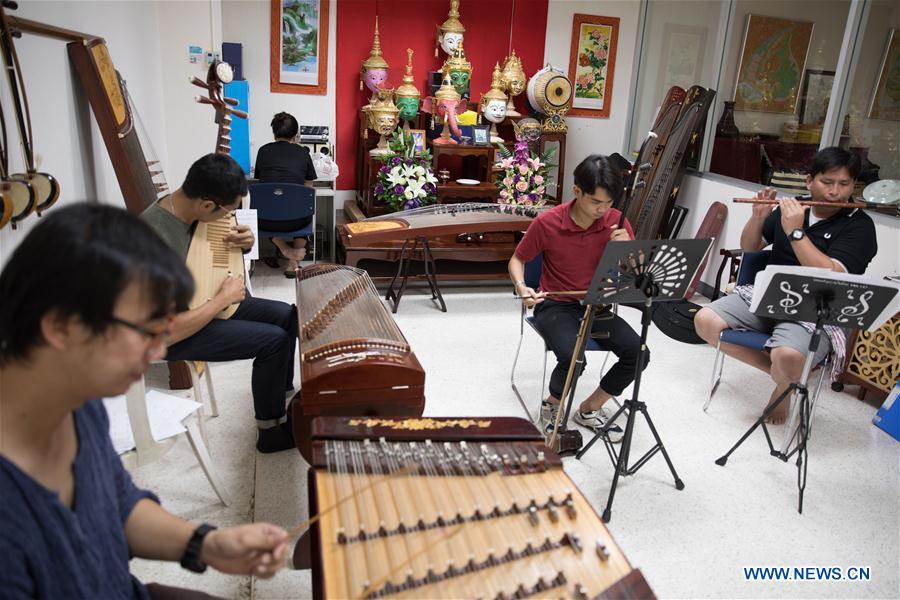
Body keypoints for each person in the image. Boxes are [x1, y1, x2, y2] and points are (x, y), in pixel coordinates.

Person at [0, 204, 289, 598]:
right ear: (62, 327)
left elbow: (116, 504)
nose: (158, 350)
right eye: (146, 330)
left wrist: (206, 544)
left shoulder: (75, 401)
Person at [694, 147, 878, 424]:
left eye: (844, 184)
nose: (835, 192)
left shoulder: (860, 226)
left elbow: (828, 273)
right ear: (809, 181)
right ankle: (788, 381)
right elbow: (750, 247)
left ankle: (784, 385)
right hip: (770, 294)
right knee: (705, 320)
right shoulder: (793, 208)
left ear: (854, 185)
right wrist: (757, 217)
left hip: (815, 308)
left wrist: (795, 231)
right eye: (827, 182)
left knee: (789, 356)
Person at [141, 153, 297, 453]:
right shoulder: (153, 240)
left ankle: (278, 390)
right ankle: (270, 432)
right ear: (207, 204)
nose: (230, 217)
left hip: (205, 300)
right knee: (273, 341)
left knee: (288, 316)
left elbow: (214, 258)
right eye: (229, 210)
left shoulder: (190, 209)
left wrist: (247, 242)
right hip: (174, 332)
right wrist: (221, 301)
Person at [508, 155, 650, 442]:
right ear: (577, 192)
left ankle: (590, 408)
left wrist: (629, 249)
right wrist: (523, 288)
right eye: (596, 202)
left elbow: (637, 271)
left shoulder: (616, 222)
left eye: (609, 203)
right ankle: (552, 406)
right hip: (555, 305)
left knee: (638, 353)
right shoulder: (548, 222)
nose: (603, 210)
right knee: (574, 356)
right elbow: (517, 259)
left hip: (597, 306)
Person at [254, 111, 318, 277]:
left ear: (274, 133)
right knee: (302, 209)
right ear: (296, 134)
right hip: (297, 221)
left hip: (266, 221)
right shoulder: (303, 153)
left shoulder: (263, 151)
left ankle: (285, 249)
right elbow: (308, 189)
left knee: (271, 208)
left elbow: (263, 183)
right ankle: (292, 262)